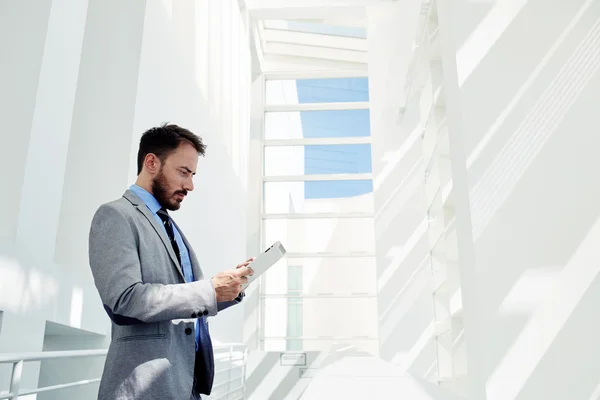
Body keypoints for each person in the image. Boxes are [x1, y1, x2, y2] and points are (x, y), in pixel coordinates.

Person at [88, 123, 253, 400]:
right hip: (144, 387)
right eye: (183, 172)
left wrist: (228, 289)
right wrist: (209, 289)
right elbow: (124, 301)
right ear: (151, 162)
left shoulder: (170, 227)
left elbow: (185, 302)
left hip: (185, 382)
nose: (190, 185)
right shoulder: (116, 216)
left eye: (192, 175)